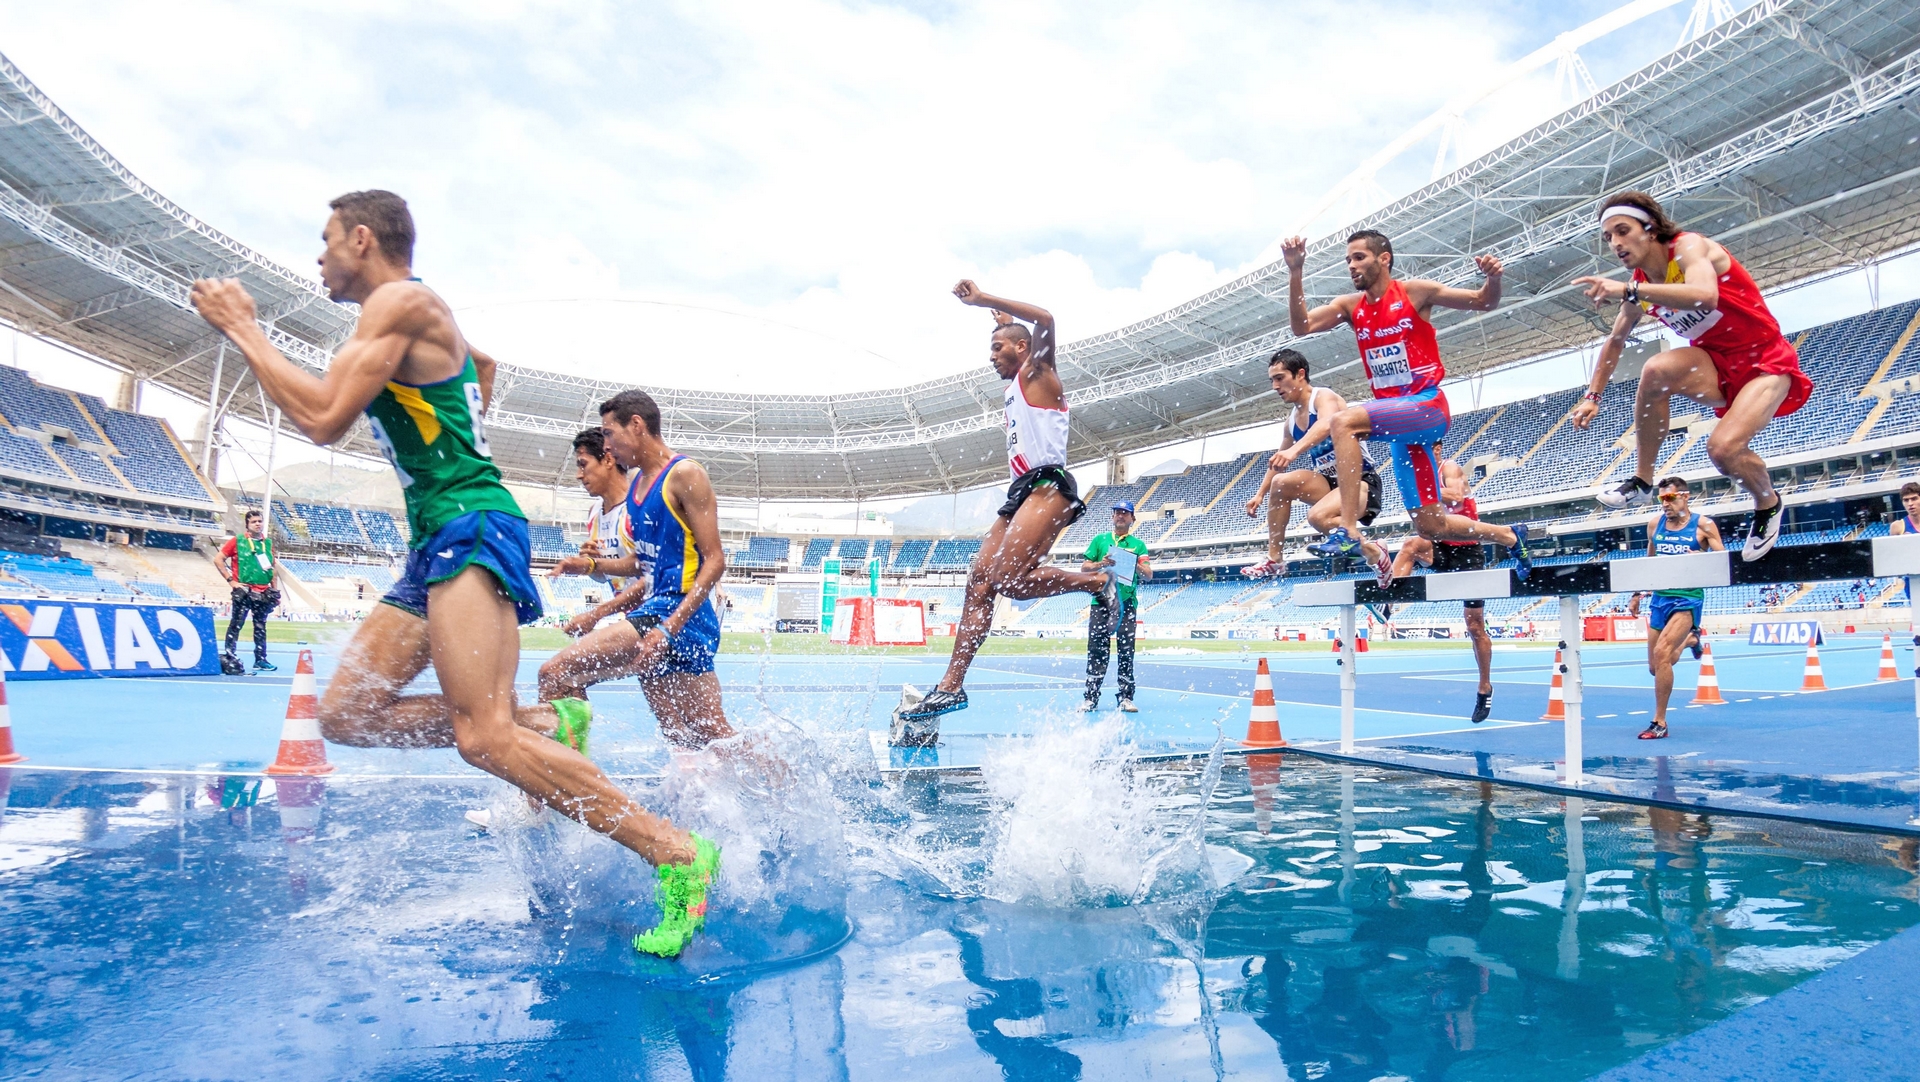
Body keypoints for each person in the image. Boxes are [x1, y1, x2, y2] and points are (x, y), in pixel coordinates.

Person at [188, 189, 717, 958]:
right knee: (347, 715)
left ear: (363, 239)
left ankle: (677, 854)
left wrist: (243, 328)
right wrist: (452, 429)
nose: (319, 257)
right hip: (438, 534)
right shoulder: (414, 317)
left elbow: (324, 417)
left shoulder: (400, 300)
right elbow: (483, 364)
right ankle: (548, 722)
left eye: (327, 240)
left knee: (482, 738)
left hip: (469, 527)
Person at [889, 282, 1115, 744]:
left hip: (1048, 485)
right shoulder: (1018, 380)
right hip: (1020, 492)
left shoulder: (1039, 372)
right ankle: (951, 686)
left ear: (1023, 349)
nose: (990, 356)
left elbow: (1045, 319)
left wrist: (987, 299)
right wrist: (998, 324)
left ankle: (1096, 581)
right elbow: (1016, 334)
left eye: (998, 348)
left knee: (1010, 581)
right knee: (979, 581)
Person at [1279, 230, 1533, 586]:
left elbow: (1483, 302)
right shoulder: (1350, 307)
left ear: (1384, 258)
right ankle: (1510, 535)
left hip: (1426, 406)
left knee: (1342, 422)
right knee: (1430, 524)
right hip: (1399, 426)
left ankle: (1349, 529)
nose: (1351, 266)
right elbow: (1301, 326)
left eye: (1359, 257)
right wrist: (1295, 271)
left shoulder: (1416, 292)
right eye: (1348, 260)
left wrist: (1493, 279)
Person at [1570, 191, 1813, 562]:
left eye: (1622, 231)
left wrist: (1630, 290)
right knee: (1655, 370)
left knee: (1723, 450)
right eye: (1608, 237)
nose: (1616, 243)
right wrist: (1593, 395)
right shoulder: (1640, 284)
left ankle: (1767, 503)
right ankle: (1643, 480)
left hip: (1765, 361)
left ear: (1650, 229)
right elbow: (1615, 340)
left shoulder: (1688, 247)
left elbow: (1704, 296)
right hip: (1716, 364)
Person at [541, 390, 739, 753]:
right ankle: (783, 783)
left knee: (554, 673)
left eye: (609, 433)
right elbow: (640, 563)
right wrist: (589, 565)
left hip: (676, 612)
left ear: (636, 425)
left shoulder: (685, 474)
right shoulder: (638, 489)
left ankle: (563, 791)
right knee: (699, 735)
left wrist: (668, 627)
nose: (608, 445)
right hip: (659, 615)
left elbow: (715, 561)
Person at [1241, 349, 1382, 578]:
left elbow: (1327, 423)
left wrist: (1296, 450)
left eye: (1280, 378)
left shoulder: (1323, 396)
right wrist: (1259, 494)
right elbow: (1278, 459)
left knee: (1318, 517)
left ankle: (1374, 553)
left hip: (1360, 481)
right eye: (1272, 380)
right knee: (1280, 482)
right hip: (1329, 483)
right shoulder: (1290, 422)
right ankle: (1274, 559)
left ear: (1300, 374)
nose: (1275, 386)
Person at [1387, 460, 1494, 723]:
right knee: (1411, 545)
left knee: (1475, 627)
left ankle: (1484, 687)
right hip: (1442, 549)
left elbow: (1456, 497)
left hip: (1469, 553)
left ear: (1436, 448)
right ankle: (1387, 602)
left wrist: (1422, 490)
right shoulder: (1419, 477)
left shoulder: (1450, 469)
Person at [1624, 476, 1724, 740]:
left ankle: (1660, 722)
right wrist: (1637, 594)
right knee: (1655, 667)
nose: (1665, 504)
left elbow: (1724, 562)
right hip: (1660, 598)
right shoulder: (1655, 524)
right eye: (1661, 499)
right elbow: (1649, 561)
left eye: (1670, 498)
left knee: (1662, 653)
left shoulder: (1704, 525)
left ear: (1685, 496)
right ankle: (1691, 639)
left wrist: (1703, 557)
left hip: (1687, 599)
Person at [1081, 501, 1151, 712]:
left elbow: (1148, 574)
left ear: (1132, 519)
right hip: (1100, 602)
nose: (1120, 516)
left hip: (1126, 603)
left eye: (1125, 513)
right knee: (1096, 650)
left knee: (1126, 650)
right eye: (1117, 513)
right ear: (1112, 517)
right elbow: (1085, 568)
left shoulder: (1138, 545)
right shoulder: (1100, 540)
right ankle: (1091, 698)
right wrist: (1101, 563)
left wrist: (1134, 564)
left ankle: (1125, 698)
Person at [219, 508, 281, 673]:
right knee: (236, 625)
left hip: (263, 592)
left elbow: (272, 568)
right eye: (253, 521)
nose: (257, 524)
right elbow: (218, 559)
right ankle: (230, 657)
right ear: (247, 524)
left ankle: (260, 659)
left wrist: (275, 590)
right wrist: (231, 581)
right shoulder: (237, 541)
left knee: (260, 627)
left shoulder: (267, 543)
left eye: (259, 521)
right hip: (244, 590)